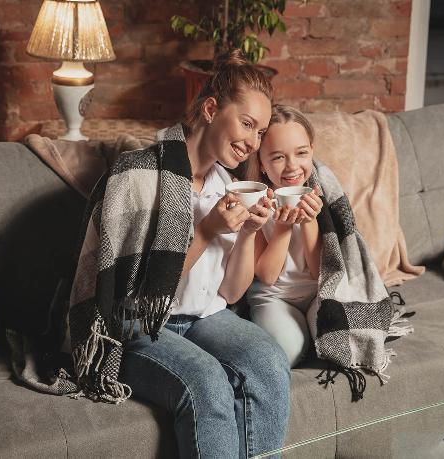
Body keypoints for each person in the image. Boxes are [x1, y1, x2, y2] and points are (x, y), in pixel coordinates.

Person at [67, 50, 291, 459]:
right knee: (206, 382)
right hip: (138, 328)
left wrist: (248, 234)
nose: (252, 143)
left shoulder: (229, 186)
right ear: (210, 109)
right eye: (246, 124)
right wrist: (206, 231)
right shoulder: (139, 175)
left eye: (260, 132)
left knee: (269, 363)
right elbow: (131, 299)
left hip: (206, 318)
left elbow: (232, 293)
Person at [244, 105, 323, 367]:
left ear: (311, 150)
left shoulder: (324, 197)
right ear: (262, 164)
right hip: (273, 296)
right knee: (287, 350)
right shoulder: (257, 204)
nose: (292, 167)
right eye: (278, 157)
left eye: (301, 153)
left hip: (317, 292)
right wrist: (283, 227)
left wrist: (309, 221)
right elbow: (266, 276)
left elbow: (319, 272)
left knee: (340, 334)